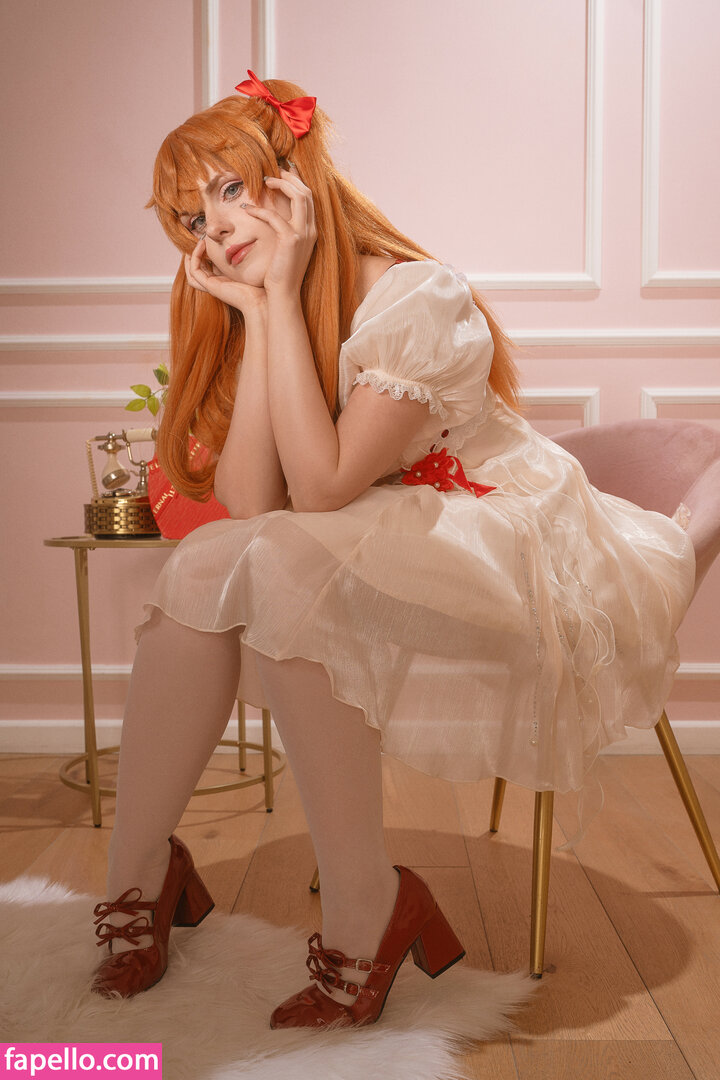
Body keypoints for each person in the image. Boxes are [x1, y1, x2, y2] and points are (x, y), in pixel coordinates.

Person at [90, 72, 695, 1027]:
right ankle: (138, 875)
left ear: (293, 176)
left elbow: (323, 486)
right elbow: (251, 502)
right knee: (214, 560)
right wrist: (262, 312)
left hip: (502, 536)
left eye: (231, 189)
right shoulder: (268, 304)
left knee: (288, 563)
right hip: (375, 535)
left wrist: (276, 298)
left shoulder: (416, 296)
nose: (217, 228)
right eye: (193, 218)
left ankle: (367, 904)